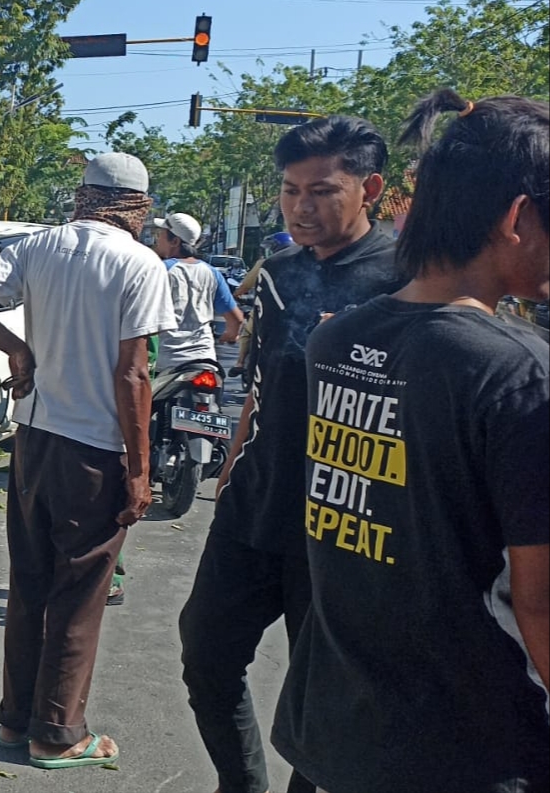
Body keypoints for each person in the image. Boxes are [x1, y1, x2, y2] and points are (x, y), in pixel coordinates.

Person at [273, 90, 550, 793]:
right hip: (467, 747)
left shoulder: (337, 339)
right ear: (517, 217)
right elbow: (539, 600)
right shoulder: (518, 371)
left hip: (338, 730)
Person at [178, 116, 404, 793]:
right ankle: (239, 783)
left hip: (348, 518)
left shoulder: (403, 278)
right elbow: (263, 375)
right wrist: (230, 463)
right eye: (289, 190)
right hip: (257, 501)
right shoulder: (274, 274)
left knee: (334, 685)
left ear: (370, 188)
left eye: (321, 190)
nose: (301, 207)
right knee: (206, 654)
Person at [0, 152, 175, 770]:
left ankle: (15, 720)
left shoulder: (36, 245)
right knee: (80, 591)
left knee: (30, 581)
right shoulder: (139, 263)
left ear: (84, 196)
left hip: (34, 438)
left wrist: (18, 353)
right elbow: (133, 374)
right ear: (137, 206)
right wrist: (139, 469)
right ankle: (57, 733)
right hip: (95, 449)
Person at [151, 212, 244, 370]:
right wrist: (231, 334)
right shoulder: (212, 272)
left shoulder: (160, 269)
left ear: (175, 241)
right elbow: (236, 319)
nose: (157, 239)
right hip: (204, 360)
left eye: (161, 234)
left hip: (166, 361)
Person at [230, 231, 293, 378]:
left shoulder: (266, 264)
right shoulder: (300, 264)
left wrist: (235, 295)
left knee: (247, 332)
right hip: (293, 314)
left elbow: (245, 286)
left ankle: (239, 363)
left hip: (267, 310)